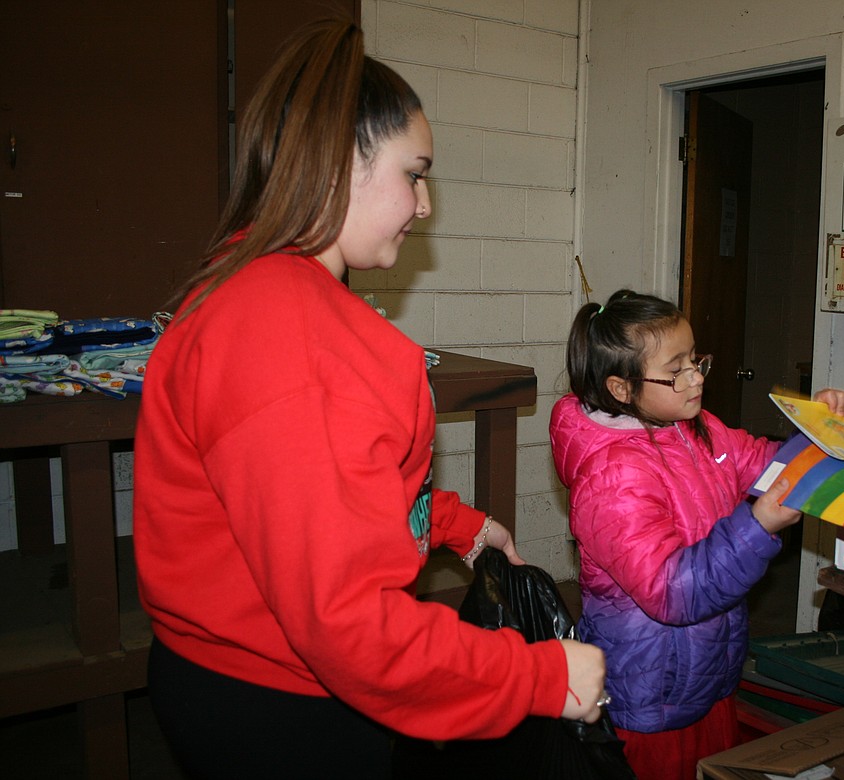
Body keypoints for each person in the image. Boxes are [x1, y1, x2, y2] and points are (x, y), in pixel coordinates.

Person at [132, 19, 605, 778]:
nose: (423, 205)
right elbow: (347, 621)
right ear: (339, 162)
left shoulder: (251, 290)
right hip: (274, 700)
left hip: (239, 671)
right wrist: (540, 677)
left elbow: (322, 492)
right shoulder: (284, 330)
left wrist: (455, 523)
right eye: (413, 173)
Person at [549, 289, 844, 780]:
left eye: (695, 360)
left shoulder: (693, 428)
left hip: (705, 669)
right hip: (652, 692)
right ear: (621, 389)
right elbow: (672, 593)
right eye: (676, 370)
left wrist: (821, 430)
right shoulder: (612, 479)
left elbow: (766, 463)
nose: (695, 377)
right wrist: (757, 527)